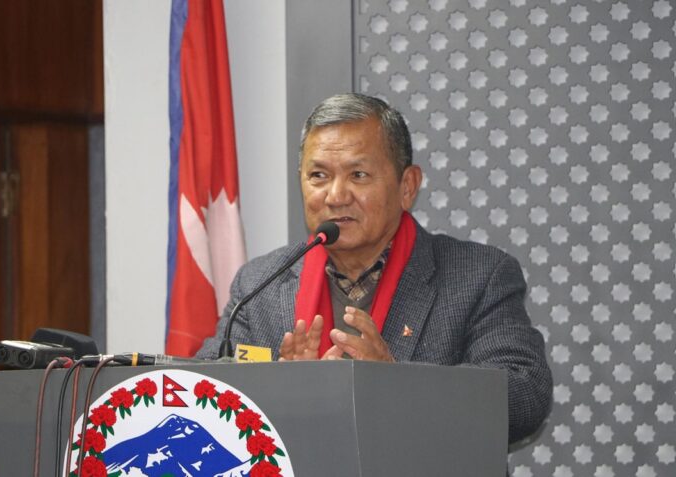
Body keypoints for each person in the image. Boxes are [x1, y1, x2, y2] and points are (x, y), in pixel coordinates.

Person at [196, 93, 552, 444]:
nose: (336, 196)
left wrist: (395, 383)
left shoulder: (478, 276)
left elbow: (524, 397)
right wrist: (283, 389)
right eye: (318, 175)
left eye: (358, 174)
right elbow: (201, 395)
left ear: (407, 186)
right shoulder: (260, 285)